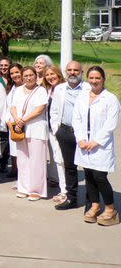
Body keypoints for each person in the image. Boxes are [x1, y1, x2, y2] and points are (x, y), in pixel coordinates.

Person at [73, 66, 119, 226]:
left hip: (100, 146)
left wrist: (96, 141)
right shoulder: (82, 97)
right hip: (83, 144)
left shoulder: (111, 99)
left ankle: (110, 209)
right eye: (91, 78)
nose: (94, 81)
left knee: (100, 176)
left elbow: (110, 124)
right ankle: (94, 205)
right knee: (89, 176)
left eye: (97, 78)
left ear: (103, 79)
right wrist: (80, 139)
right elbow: (76, 119)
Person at [50, 61, 90, 210]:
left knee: (88, 168)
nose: (72, 72)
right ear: (66, 72)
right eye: (69, 70)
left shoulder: (88, 88)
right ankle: (71, 198)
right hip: (65, 132)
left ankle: (90, 201)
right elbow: (54, 110)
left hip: (84, 134)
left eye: (75, 70)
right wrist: (56, 130)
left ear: (81, 72)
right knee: (69, 167)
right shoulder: (60, 88)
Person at [9, 66, 49, 201]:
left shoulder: (41, 90)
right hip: (20, 128)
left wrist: (23, 120)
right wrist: (17, 119)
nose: (28, 78)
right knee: (22, 159)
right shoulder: (19, 90)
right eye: (25, 75)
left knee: (37, 160)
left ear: (35, 76)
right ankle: (23, 187)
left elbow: (39, 109)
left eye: (31, 75)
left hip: (35, 128)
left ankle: (36, 190)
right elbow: (12, 107)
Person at [44, 65, 67, 202]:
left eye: (52, 74)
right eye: (47, 75)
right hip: (52, 131)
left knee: (63, 161)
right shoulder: (49, 90)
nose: (50, 77)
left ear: (59, 74)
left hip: (62, 131)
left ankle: (66, 191)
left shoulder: (65, 89)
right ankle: (64, 189)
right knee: (58, 160)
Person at [5, 63, 25, 179]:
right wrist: (8, 120)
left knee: (22, 149)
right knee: (13, 147)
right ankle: (14, 169)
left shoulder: (26, 87)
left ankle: (22, 174)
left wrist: (19, 120)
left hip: (21, 122)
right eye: (12, 73)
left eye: (17, 72)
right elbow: (8, 105)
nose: (14, 75)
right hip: (11, 122)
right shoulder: (11, 88)